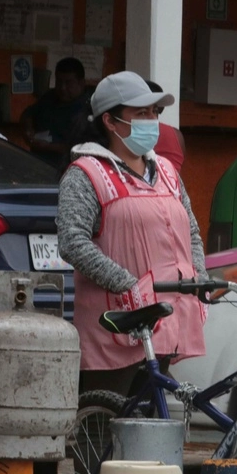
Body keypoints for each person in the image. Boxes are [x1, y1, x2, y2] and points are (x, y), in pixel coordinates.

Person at [57, 71, 207, 395]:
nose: (151, 120)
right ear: (110, 122)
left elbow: (191, 230)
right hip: (115, 324)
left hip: (165, 320)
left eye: (154, 112)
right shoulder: (86, 173)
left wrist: (198, 278)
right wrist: (128, 286)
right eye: (141, 114)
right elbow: (72, 242)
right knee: (102, 426)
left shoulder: (166, 171)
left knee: (152, 421)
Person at [21, 57, 91, 171]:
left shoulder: (89, 108)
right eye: (59, 82)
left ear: (81, 83)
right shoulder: (49, 97)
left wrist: (49, 147)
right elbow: (27, 114)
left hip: (69, 170)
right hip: (38, 164)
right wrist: (28, 131)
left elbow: (82, 148)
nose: (63, 88)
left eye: (68, 83)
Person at [146, 80, 186, 171]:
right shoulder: (175, 134)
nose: (152, 118)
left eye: (154, 111)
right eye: (142, 113)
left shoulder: (135, 136)